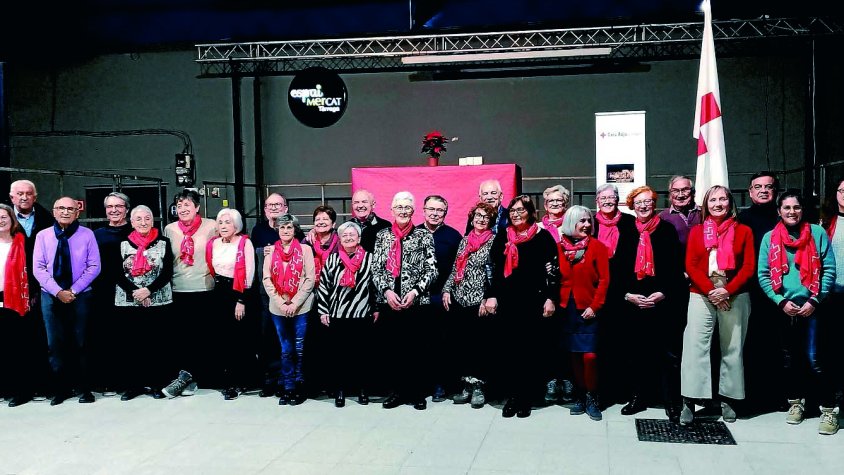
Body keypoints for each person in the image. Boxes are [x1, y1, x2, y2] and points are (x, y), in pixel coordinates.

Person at [758, 190, 838, 435]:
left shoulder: (818, 233)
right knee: (790, 360)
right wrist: (780, 301)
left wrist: (815, 299)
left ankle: (829, 410)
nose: (791, 212)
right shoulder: (769, 238)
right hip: (785, 308)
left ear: (802, 210)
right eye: (786, 208)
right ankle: (796, 404)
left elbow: (829, 269)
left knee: (816, 359)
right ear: (779, 211)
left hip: (813, 307)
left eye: (796, 207)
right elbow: (763, 274)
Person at [679, 186, 755, 425]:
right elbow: (690, 265)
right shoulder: (697, 231)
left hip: (735, 293)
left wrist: (727, 291)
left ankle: (728, 399)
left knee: (732, 348)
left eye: (722, 199)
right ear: (706, 204)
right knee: (694, 347)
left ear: (730, 202)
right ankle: (690, 400)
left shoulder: (744, 231)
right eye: (713, 199)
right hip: (702, 293)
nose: (718, 203)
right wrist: (712, 291)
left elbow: (749, 267)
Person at [615, 186, 685, 422]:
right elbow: (618, 270)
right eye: (639, 202)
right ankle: (638, 397)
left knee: (668, 355)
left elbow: (676, 269)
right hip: (634, 302)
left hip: (661, 302)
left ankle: (672, 402)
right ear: (632, 206)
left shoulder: (667, 230)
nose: (643, 206)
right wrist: (628, 295)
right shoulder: (625, 230)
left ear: (655, 204)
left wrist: (662, 293)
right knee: (636, 353)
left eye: (648, 201)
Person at [490, 195, 559, 418]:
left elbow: (553, 271)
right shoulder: (503, 236)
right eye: (513, 211)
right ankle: (513, 396)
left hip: (534, 301)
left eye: (521, 210)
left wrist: (550, 298)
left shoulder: (543, 237)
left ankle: (527, 397)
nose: (516, 214)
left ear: (530, 213)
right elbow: (493, 270)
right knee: (510, 350)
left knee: (531, 351)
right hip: (508, 302)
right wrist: (491, 296)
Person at [372, 191, 438, 410]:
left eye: (407, 207)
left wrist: (415, 292)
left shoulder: (423, 236)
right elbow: (377, 269)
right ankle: (397, 392)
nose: (403, 211)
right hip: (390, 301)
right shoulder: (382, 236)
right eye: (399, 207)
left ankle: (416, 393)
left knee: (417, 349)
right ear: (391, 210)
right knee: (393, 349)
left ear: (413, 211)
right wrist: (387, 291)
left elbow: (432, 269)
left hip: (416, 303)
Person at [33, 196, 101, 405]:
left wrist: (73, 290)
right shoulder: (43, 236)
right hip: (50, 296)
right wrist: (57, 291)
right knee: (55, 343)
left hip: (80, 295)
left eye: (70, 209)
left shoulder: (87, 235)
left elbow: (94, 266)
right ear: (53, 212)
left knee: (81, 342)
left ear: (77, 212)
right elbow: (38, 268)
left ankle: (84, 388)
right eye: (61, 208)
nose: (65, 212)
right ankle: (60, 389)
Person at [442, 202, 501, 409]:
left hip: (479, 302)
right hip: (460, 299)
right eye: (478, 215)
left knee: (480, 346)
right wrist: (447, 289)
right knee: (463, 345)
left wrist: (488, 298)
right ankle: (466, 384)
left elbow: (495, 274)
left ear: (491, 221)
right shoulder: (464, 240)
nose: (481, 219)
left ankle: (480, 386)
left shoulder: (495, 241)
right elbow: (455, 266)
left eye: (486, 217)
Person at [113, 205, 173, 401]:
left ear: (152, 220)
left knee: (157, 345)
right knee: (132, 345)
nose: (143, 222)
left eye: (147, 218)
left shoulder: (164, 242)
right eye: (138, 219)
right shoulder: (121, 242)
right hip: (129, 302)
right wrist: (137, 293)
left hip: (158, 301)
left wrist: (149, 290)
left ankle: (157, 384)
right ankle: (134, 386)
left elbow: (167, 272)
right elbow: (117, 273)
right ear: (131, 222)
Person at [162, 189, 217, 398]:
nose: (183, 209)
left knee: (202, 337)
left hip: (205, 288)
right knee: (183, 338)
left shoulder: (211, 226)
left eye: (187, 205)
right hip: (178, 289)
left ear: (197, 208)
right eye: (180, 205)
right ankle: (185, 377)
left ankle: (195, 378)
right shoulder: (169, 229)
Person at [737, 171, 784, 413]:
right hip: (750, 290)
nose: (763, 190)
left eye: (768, 186)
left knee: (778, 345)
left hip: (782, 292)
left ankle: (778, 396)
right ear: (750, 192)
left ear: (775, 191)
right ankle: (751, 397)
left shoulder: (785, 216)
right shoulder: (742, 220)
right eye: (758, 186)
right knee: (751, 344)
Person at [316, 221, 377, 407]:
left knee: (362, 356)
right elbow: (324, 286)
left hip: (362, 314)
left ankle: (362, 390)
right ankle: (340, 391)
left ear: (359, 238)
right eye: (345, 235)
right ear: (340, 239)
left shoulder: (370, 258)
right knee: (339, 356)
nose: (349, 238)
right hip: (337, 314)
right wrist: (323, 310)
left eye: (352, 235)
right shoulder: (333, 260)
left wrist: (375, 308)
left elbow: (374, 287)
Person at [557, 205, 609, 421]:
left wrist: (595, 306)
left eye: (589, 221)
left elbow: (605, 280)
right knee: (574, 355)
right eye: (582, 221)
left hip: (588, 307)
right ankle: (580, 395)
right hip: (565, 307)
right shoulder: (559, 247)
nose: (587, 225)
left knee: (590, 356)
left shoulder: (597, 247)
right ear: (571, 223)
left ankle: (592, 396)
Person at [592, 183, 638, 406]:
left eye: (612, 197)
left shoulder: (630, 223)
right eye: (604, 198)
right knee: (601, 343)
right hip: (597, 291)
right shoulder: (589, 223)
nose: (608, 201)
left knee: (625, 342)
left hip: (624, 291)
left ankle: (625, 390)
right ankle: (604, 392)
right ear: (597, 201)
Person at [263, 214, 315, 406]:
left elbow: (310, 279)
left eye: (289, 228)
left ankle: (300, 385)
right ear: (278, 230)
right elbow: (266, 279)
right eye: (282, 228)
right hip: (278, 308)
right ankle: (288, 386)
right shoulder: (271, 251)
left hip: (301, 307)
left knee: (299, 348)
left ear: (295, 230)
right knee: (285, 349)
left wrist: (294, 303)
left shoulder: (305, 250)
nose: (285, 231)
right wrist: (281, 303)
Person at [9, 180, 53, 401]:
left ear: (35, 197)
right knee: (15, 340)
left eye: (28, 194)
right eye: (19, 194)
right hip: (10, 288)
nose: (24, 197)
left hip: (39, 287)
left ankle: (43, 384)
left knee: (40, 337)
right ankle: (18, 389)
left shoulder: (46, 219)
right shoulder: (4, 219)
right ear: (11, 197)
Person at [206, 208, 256, 400]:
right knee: (222, 338)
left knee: (239, 339)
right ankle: (225, 379)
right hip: (219, 292)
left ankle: (241, 381)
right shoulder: (214, 243)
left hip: (239, 292)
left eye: (228, 222)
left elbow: (249, 274)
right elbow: (212, 268)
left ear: (236, 225)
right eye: (220, 222)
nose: (224, 226)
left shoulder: (245, 243)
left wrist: (241, 300)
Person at [417, 195, 462, 402]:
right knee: (420, 343)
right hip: (417, 299)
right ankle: (421, 383)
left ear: (445, 213)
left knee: (442, 343)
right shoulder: (413, 233)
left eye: (439, 210)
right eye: (431, 209)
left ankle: (441, 385)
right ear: (423, 210)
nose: (434, 214)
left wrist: (447, 289)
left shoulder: (453, 236)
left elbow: (458, 267)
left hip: (443, 297)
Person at [92, 192, 132, 397]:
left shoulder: (136, 231)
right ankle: (107, 380)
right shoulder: (96, 234)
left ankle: (128, 381)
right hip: (103, 291)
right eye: (110, 207)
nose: (114, 210)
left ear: (127, 209)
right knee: (105, 336)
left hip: (130, 291)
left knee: (126, 337)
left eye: (119, 206)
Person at [536, 184, 573, 404]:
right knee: (547, 336)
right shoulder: (539, 228)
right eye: (551, 201)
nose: (555, 204)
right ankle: (550, 380)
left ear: (566, 203)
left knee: (567, 335)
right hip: (545, 290)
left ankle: (567, 380)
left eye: (559, 201)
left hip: (569, 287)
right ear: (545, 205)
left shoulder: (572, 225)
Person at [251, 193, 290, 397]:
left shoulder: (293, 228)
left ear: (285, 208)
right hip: (266, 293)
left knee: (286, 337)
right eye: (270, 205)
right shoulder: (258, 230)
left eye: (278, 204)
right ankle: (269, 379)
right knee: (268, 338)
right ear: (265, 209)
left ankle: (287, 379)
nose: (274, 208)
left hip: (288, 293)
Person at [303, 204, 341, 395]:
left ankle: (334, 384)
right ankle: (314, 384)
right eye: (317, 220)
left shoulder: (342, 241)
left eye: (325, 219)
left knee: (333, 342)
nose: (321, 222)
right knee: (313, 342)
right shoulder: (306, 242)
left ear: (333, 223)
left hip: (336, 297)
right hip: (312, 296)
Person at [0, 205, 33, 406]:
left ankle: (20, 391)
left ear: (12, 219)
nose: (0, 220)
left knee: (16, 347)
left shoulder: (22, 243)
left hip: (15, 299)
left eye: (4, 216)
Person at [820, 177, 844, 411]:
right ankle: (831, 404)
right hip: (831, 295)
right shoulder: (826, 223)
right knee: (831, 351)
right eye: (842, 190)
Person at [658, 175, 701, 251]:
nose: (680, 195)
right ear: (670, 194)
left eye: (685, 190)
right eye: (675, 191)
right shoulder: (662, 217)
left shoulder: (704, 212)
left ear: (693, 192)